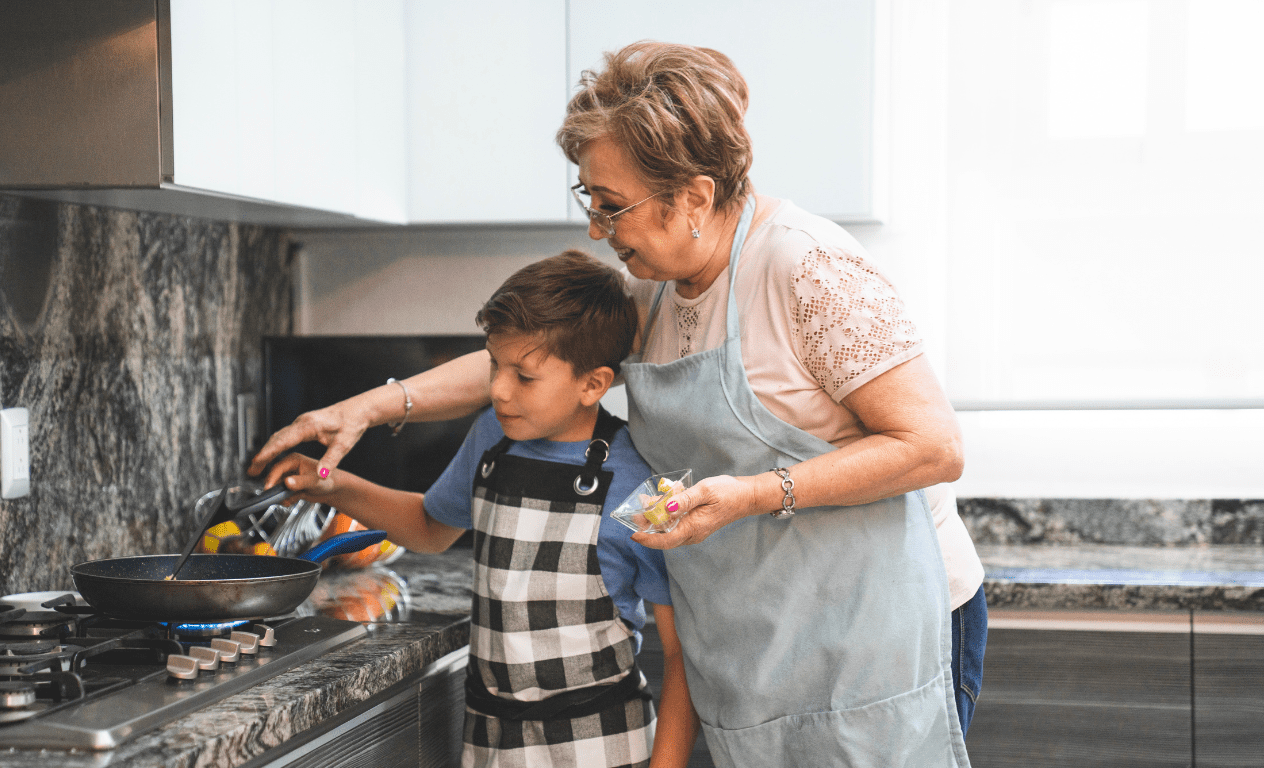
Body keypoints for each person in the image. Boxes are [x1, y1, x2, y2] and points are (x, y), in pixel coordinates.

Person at [255, 42, 984, 767]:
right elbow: (535, 360)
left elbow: (932, 447)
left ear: (692, 198)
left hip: (878, 626)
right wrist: (374, 407)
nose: (597, 230)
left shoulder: (809, 271)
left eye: (612, 206)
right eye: (590, 200)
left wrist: (756, 493)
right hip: (761, 623)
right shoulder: (654, 283)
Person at [264, 250, 698, 768]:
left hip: (600, 746)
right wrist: (330, 484)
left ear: (594, 384)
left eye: (524, 375)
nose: (497, 389)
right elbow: (429, 528)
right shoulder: (493, 439)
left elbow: (682, 658)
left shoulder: (645, 489)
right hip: (492, 743)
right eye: (494, 363)